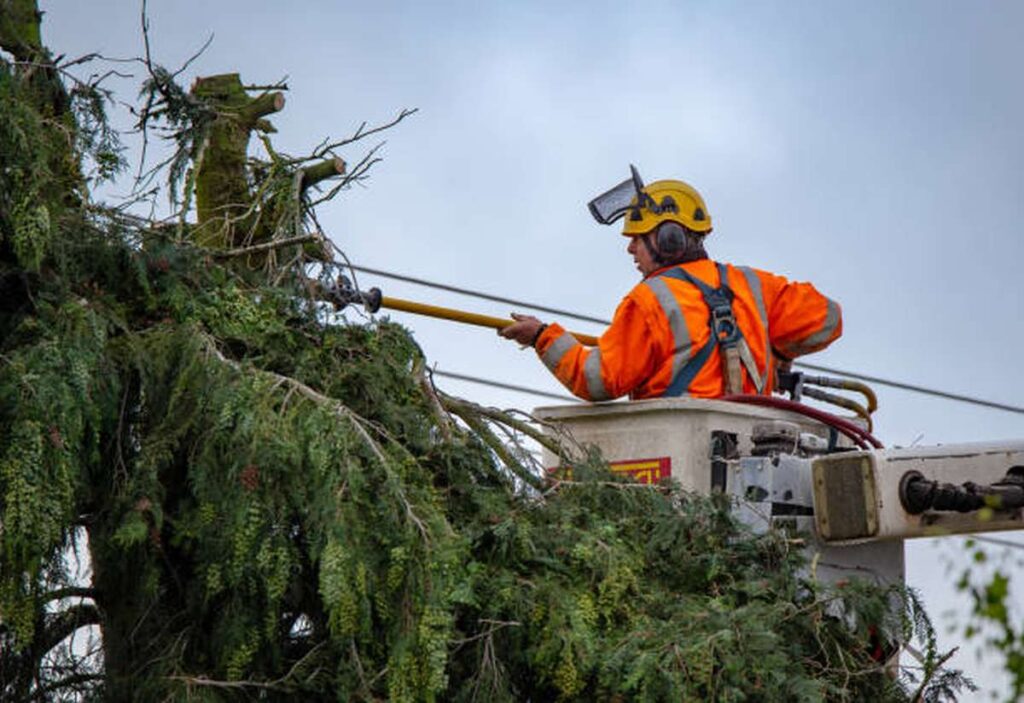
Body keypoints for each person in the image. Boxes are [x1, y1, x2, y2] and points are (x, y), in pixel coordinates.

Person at [499, 166, 842, 401]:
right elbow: (827, 319)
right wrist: (775, 348)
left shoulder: (650, 301)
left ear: (669, 238)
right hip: (754, 448)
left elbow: (597, 378)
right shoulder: (752, 285)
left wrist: (542, 337)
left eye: (638, 237)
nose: (630, 247)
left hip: (680, 463)